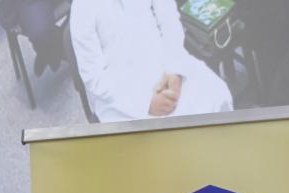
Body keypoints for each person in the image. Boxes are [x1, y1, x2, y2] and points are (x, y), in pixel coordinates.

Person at [72, 0, 234, 121]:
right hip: (121, 96)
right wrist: (146, 103)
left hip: (162, 63)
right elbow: (95, 79)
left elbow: (170, 21)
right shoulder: (82, 9)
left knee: (216, 93)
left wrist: (175, 71)